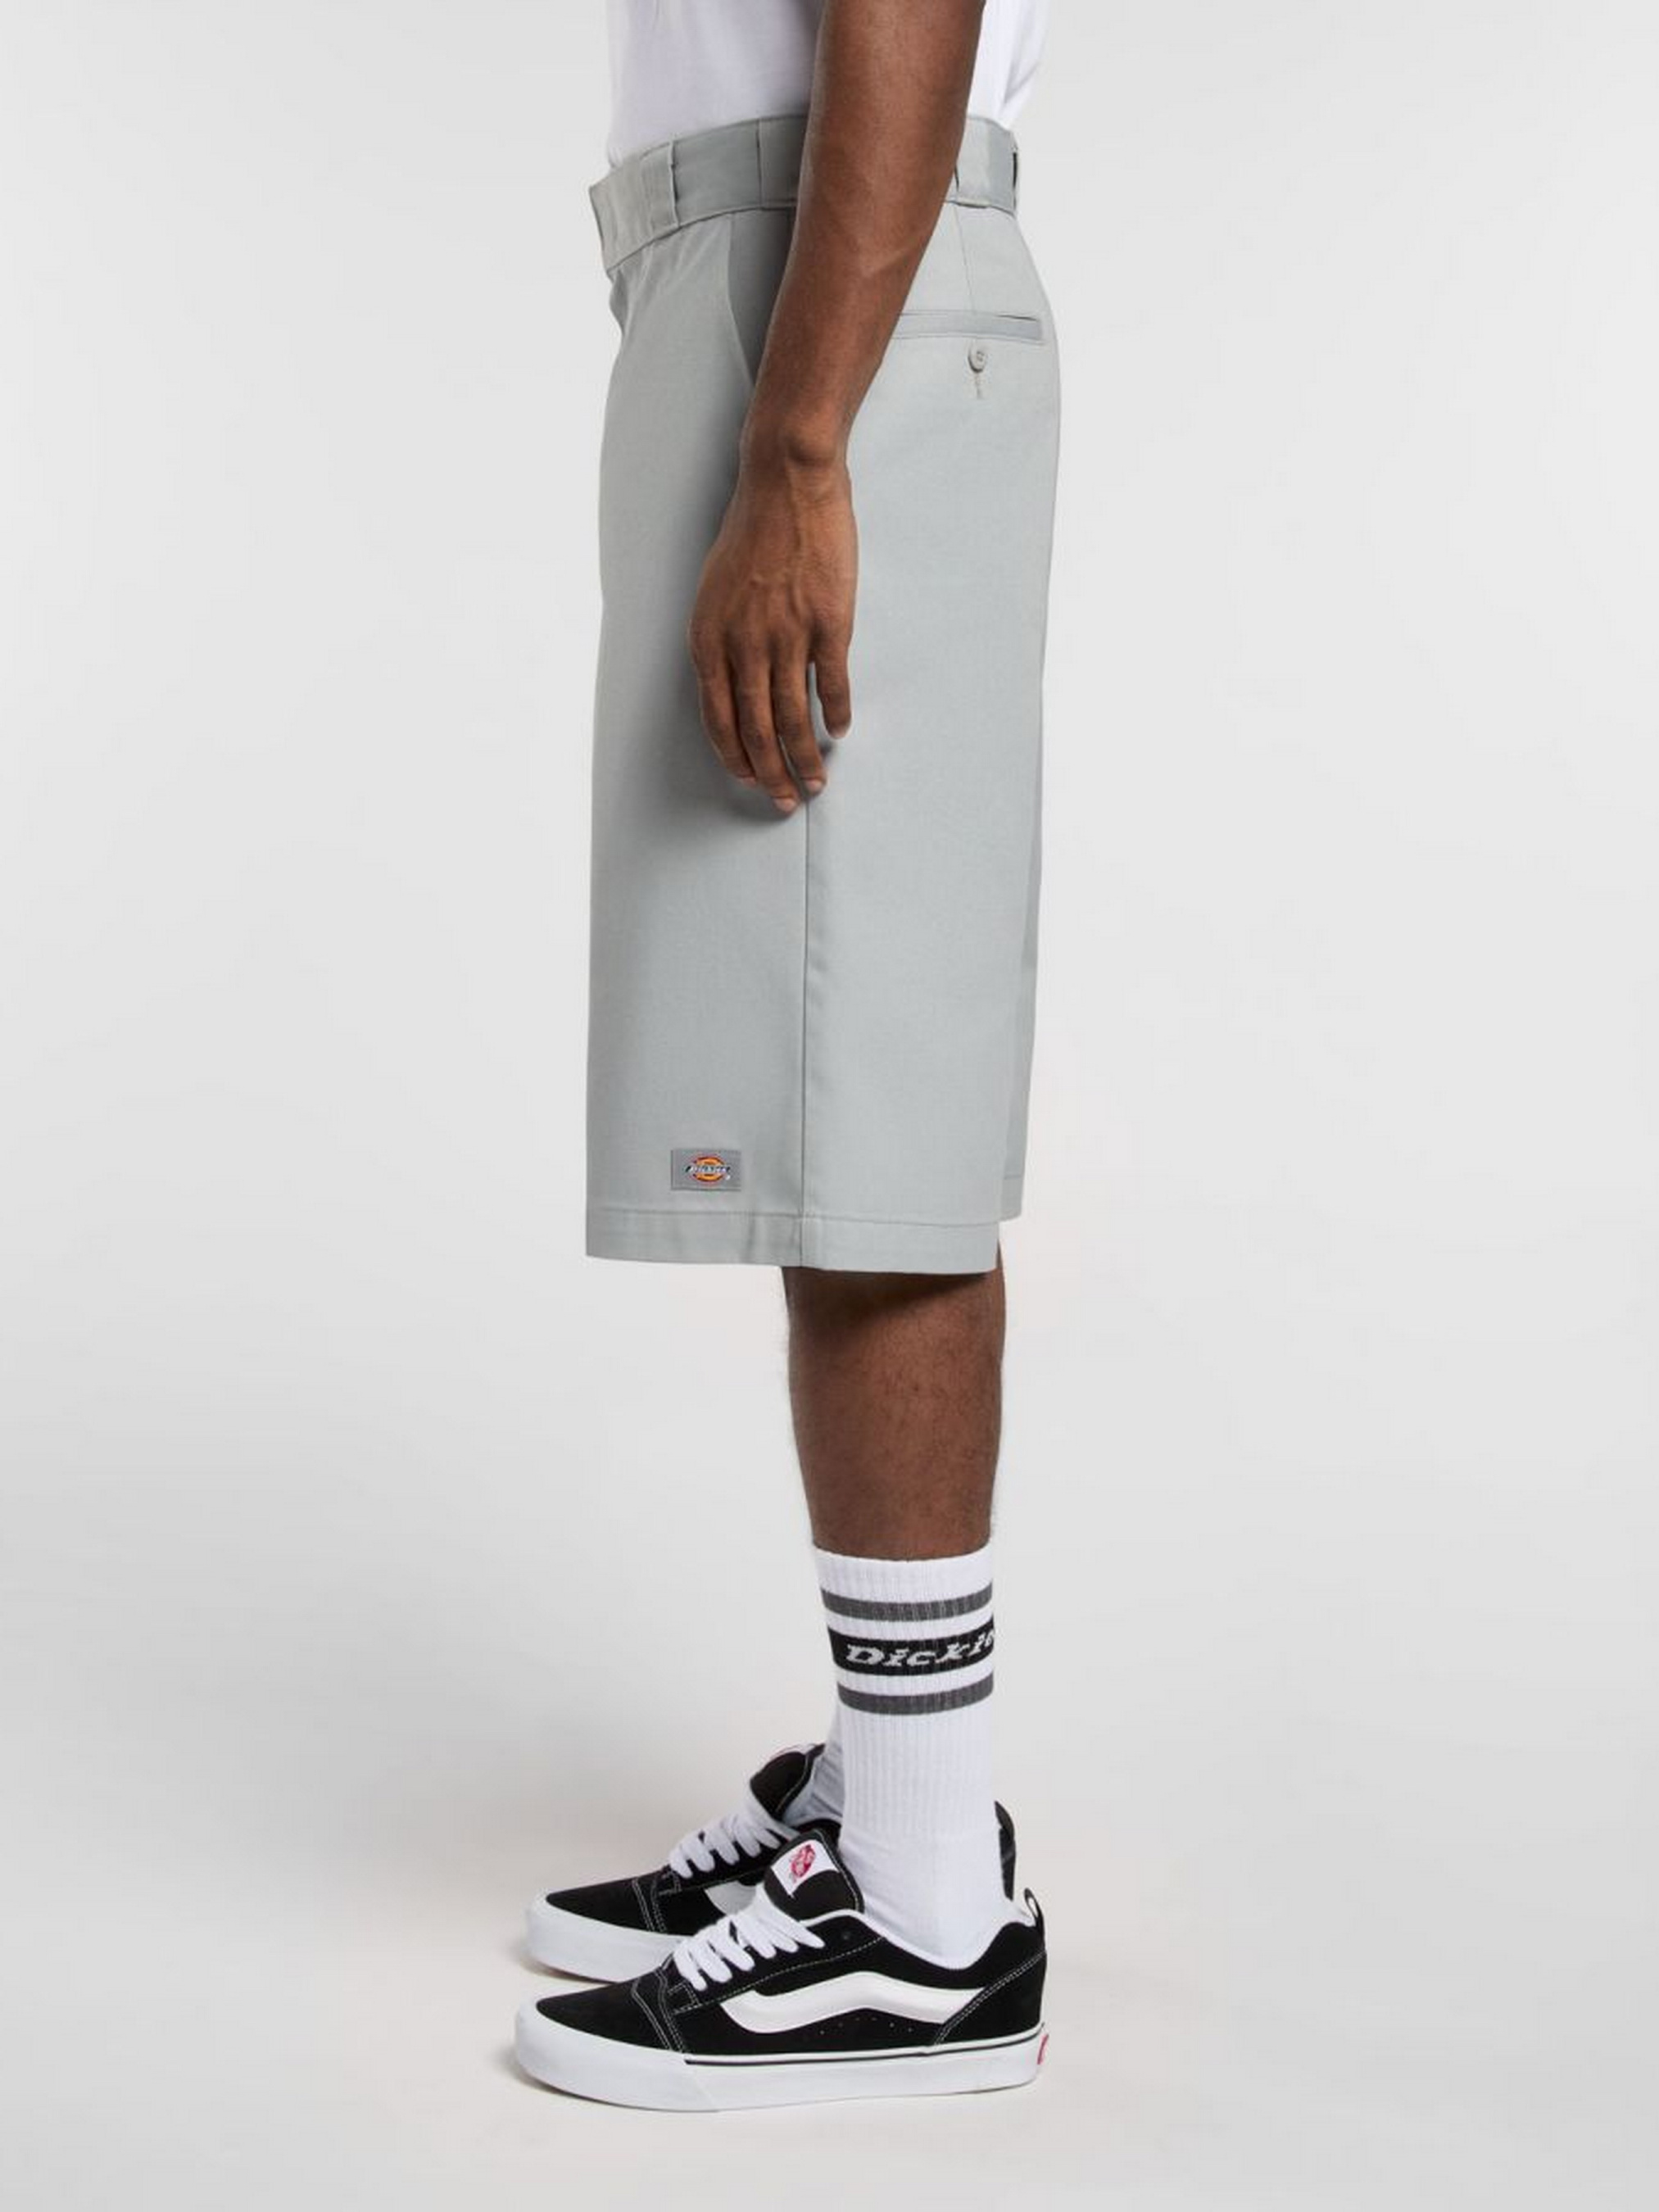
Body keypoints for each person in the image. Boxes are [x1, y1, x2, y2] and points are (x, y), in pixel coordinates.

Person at [515, 0, 1059, 2110]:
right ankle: (890, 1788)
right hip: (771, 277)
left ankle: (923, 1923)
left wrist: (801, 441)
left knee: (867, 1123)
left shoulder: (817, 397)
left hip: (832, 302)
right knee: (812, 1090)